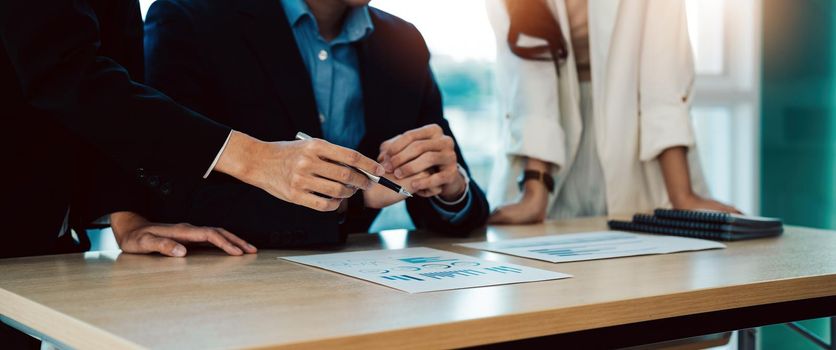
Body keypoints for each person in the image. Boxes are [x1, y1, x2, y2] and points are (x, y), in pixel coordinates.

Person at [138, 0, 489, 245]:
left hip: (357, 292)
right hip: (220, 290)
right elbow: (168, 193)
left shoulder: (403, 42)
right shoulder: (189, 18)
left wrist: (452, 186)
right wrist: (353, 199)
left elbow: (452, 216)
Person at [486, 0, 740, 225]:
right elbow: (531, 77)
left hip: (637, 133)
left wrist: (683, 196)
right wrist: (534, 192)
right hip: (548, 149)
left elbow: (663, 71)